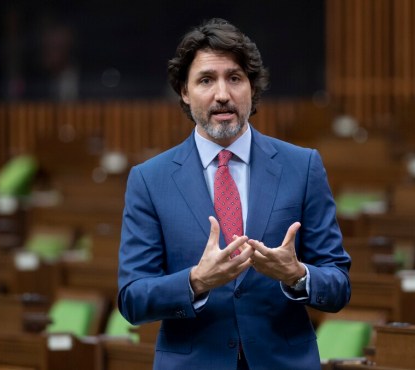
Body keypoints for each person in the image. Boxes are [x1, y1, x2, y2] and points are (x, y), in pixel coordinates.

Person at [118, 18, 351, 370]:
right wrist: (197, 281)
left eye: (235, 78)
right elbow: (132, 298)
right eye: (206, 80)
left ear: (252, 88)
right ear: (184, 91)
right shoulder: (150, 180)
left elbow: (338, 284)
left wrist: (297, 274)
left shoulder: (302, 166)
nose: (222, 94)